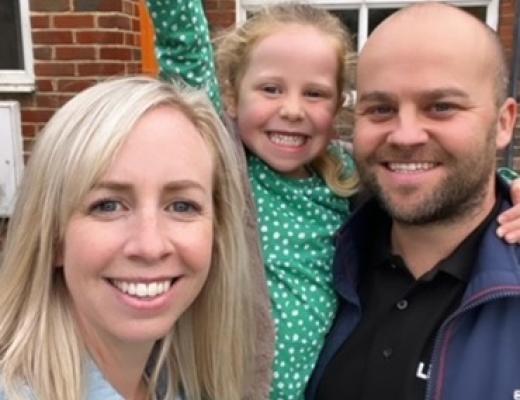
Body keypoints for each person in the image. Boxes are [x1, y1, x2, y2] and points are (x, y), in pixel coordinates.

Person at [147, 2, 520, 399]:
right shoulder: (226, 169)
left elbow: (441, 177)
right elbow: (185, 52)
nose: (291, 110)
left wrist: (508, 186)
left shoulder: (343, 180)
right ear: (232, 98)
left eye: (441, 107)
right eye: (271, 89)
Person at [307, 3, 520, 400]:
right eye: (381, 109)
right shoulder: (314, 253)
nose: (405, 136)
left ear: (504, 123)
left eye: (441, 107)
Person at [0, 76, 255, 400]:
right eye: (107, 206)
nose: (150, 246)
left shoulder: (180, 381)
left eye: (181, 206)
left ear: (218, 231)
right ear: (53, 236)